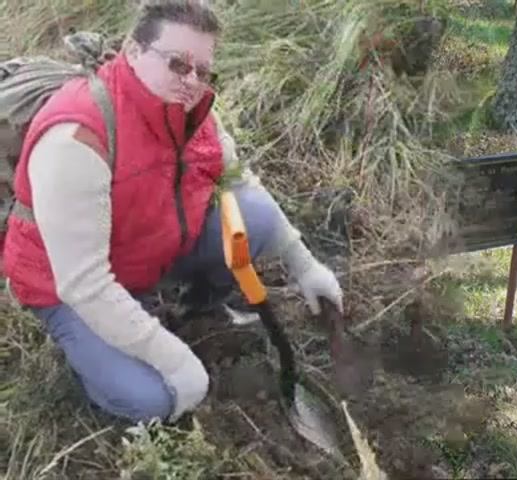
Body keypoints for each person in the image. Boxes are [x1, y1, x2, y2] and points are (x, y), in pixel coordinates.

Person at [2, 0, 343, 423]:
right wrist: (179, 364)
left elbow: (239, 182)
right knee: (151, 399)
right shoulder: (76, 138)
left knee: (251, 215)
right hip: (67, 286)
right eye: (178, 64)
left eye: (203, 71)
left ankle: (195, 312)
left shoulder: (194, 111)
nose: (192, 81)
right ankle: (94, 354)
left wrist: (305, 264)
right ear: (132, 51)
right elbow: (84, 284)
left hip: (140, 249)